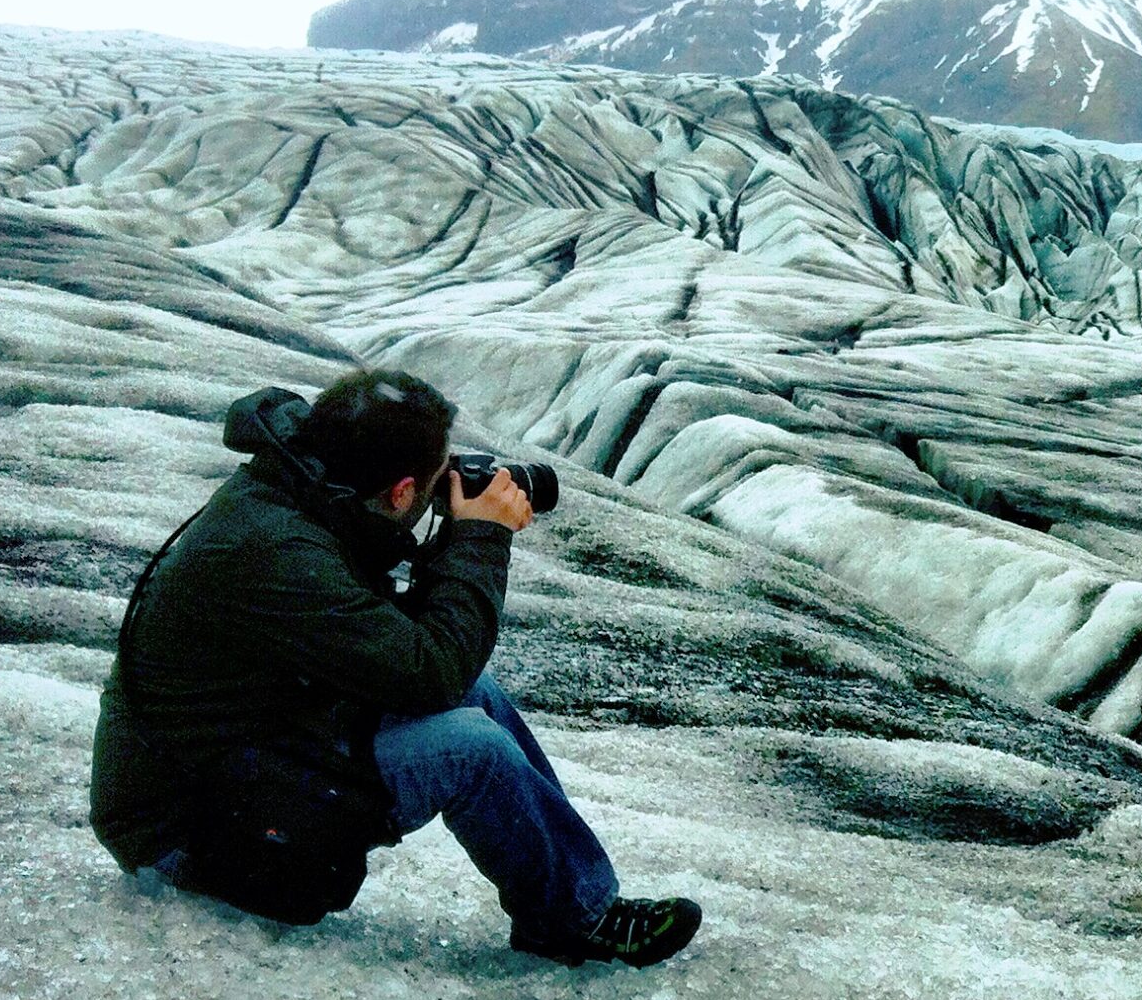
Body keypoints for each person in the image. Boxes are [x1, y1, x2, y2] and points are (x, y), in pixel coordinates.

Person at [90, 368, 700, 967]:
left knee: (474, 694)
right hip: (187, 832)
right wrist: (480, 539)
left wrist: (451, 537)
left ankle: (576, 901)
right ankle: (576, 923)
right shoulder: (276, 550)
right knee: (472, 747)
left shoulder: (303, 490)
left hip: (248, 756)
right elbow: (428, 669)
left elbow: (400, 648)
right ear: (403, 493)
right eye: (437, 477)